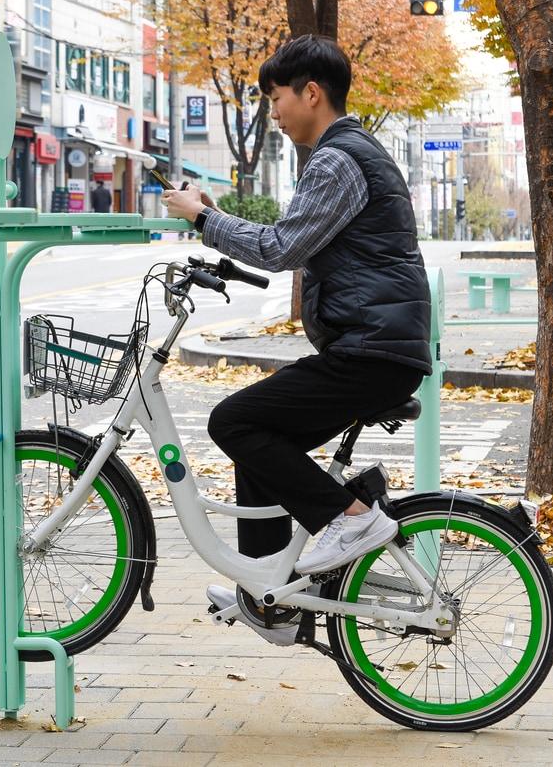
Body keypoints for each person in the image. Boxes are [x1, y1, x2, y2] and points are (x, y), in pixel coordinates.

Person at [162, 35, 431, 645]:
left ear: (312, 93)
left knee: (233, 422)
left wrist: (203, 219)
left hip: (373, 351)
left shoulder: (337, 159)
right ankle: (269, 593)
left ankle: (352, 516)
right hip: (374, 345)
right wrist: (214, 215)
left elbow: (282, 248)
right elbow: (293, 236)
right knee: (262, 433)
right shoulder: (348, 153)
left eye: (276, 97)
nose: (274, 111)